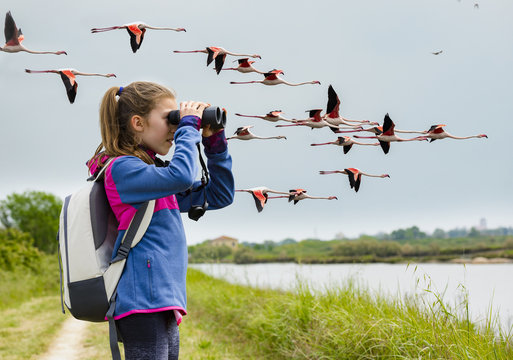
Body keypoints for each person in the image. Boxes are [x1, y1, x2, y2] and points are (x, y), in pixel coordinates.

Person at [87, 81, 234, 360]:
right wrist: (189, 128)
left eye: (177, 119)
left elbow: (220, 194)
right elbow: (180, 176)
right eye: (171, 119)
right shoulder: (123, 169)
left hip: (162, 301)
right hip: (143, 302)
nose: (176, 127)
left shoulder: (154, 177)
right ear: (138, 123)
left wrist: (214, 144)